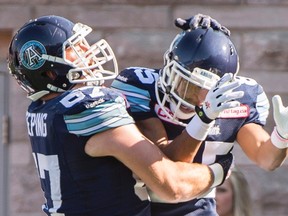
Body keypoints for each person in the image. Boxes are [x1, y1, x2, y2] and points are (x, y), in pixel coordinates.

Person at [7, 15, 242, 216]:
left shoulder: (42, 110)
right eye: (75, 48)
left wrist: (199, 40)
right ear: (50, 72)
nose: (87, 52)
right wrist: (218, 171)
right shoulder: (90, 107)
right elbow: (171, 186)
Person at [110, 14, 288, 215]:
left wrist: (282, 136)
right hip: (137, 206)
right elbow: (168, 166)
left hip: (197, 209)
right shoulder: (138, 86)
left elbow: (266, 158)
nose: (190, 97)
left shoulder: (238, 97)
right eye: (184, 83)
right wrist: (204, 118)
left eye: (202, 89)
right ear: (169, 67)